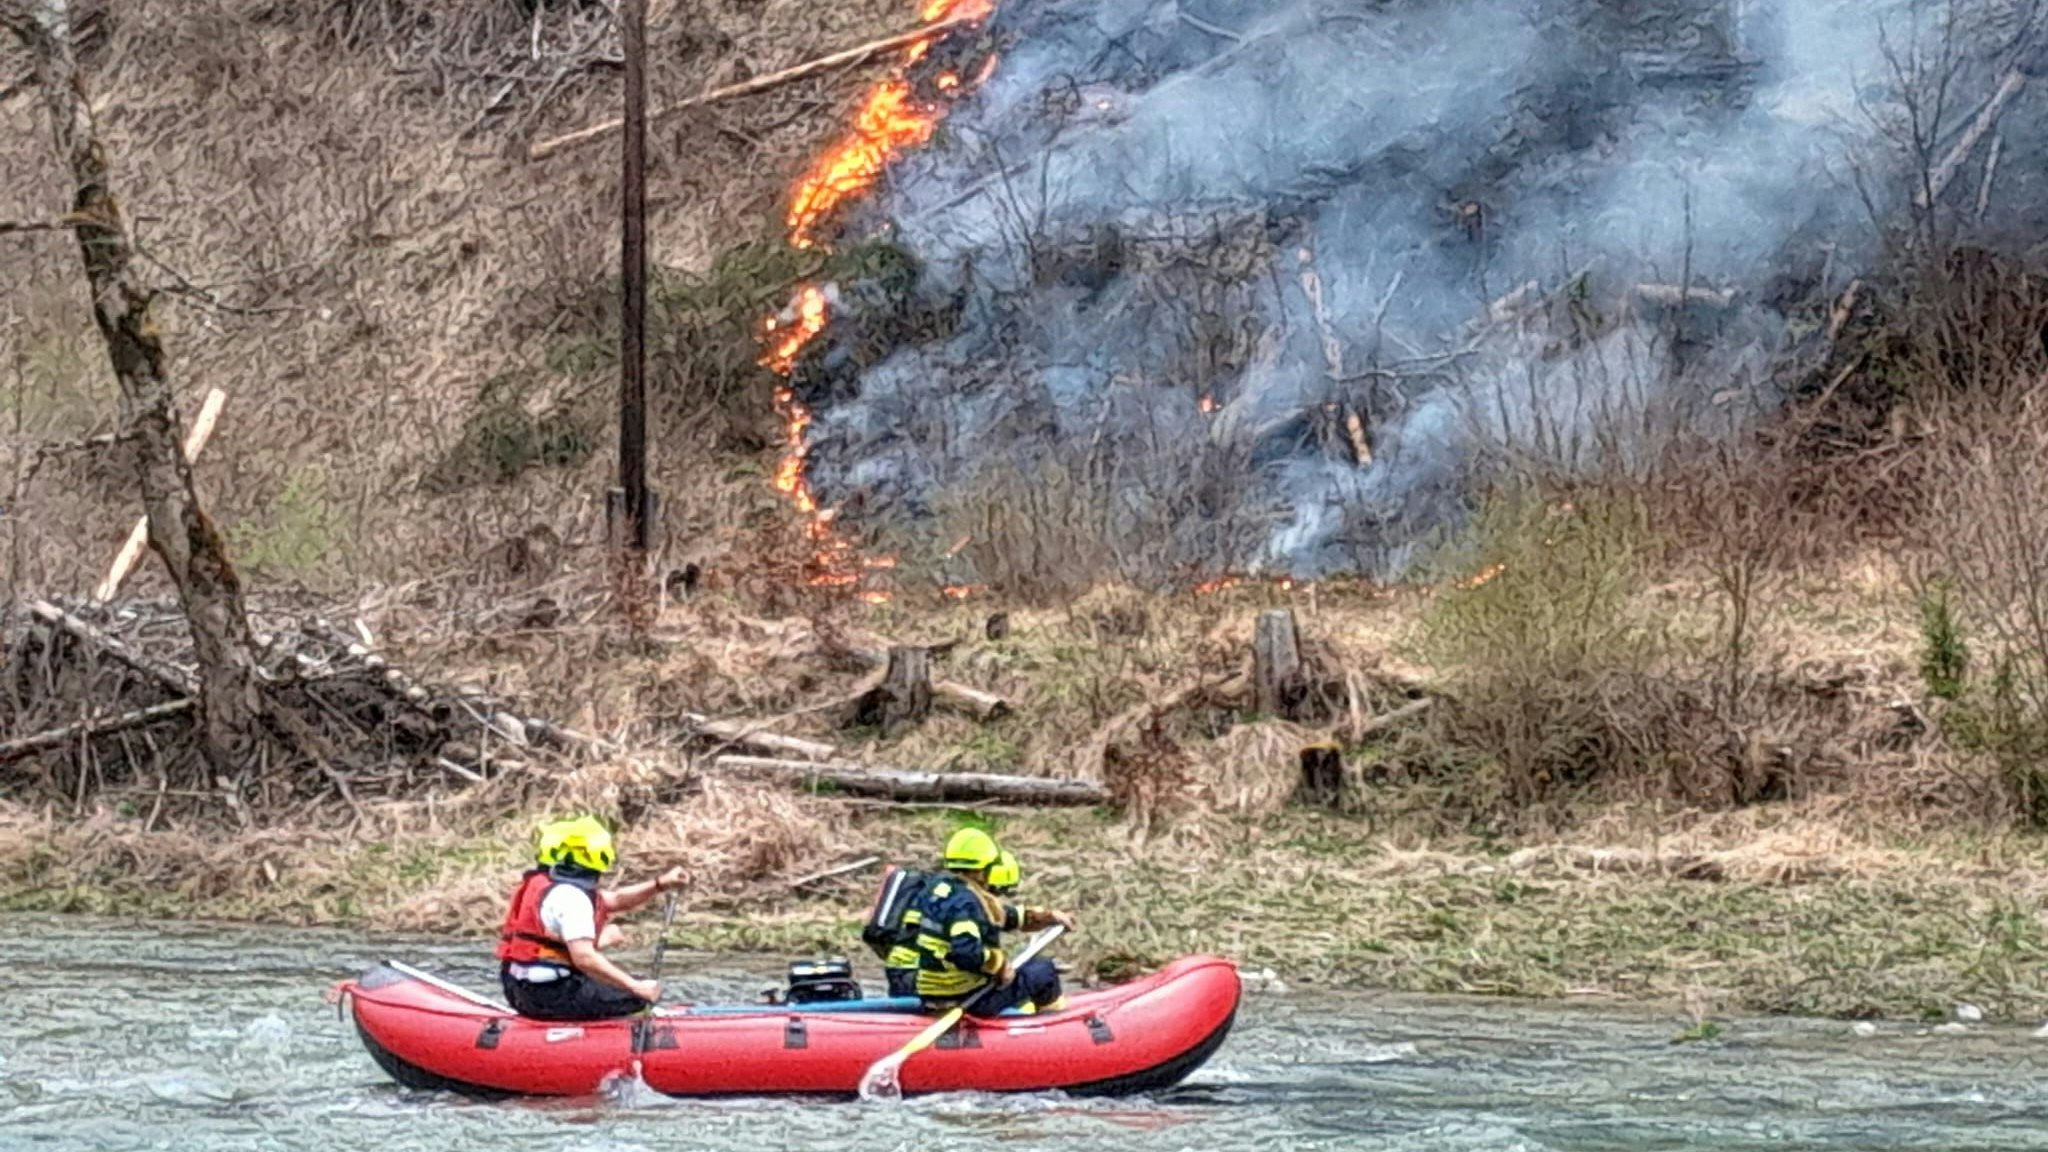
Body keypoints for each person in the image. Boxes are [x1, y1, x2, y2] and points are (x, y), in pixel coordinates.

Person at [496, 815, 688, 1021]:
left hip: (516, 989)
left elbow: (616, 900)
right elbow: (585, 958)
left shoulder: (546, 885)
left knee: (620, 985)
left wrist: (660, 884)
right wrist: (637, 988)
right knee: (638, 993)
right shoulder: (572, 897)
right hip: (548, 995)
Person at [908, 829, 1074, 1016]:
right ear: (980, 871)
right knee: (1043, 971)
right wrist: (1000, 966)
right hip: (968, 999)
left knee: (1029, 970)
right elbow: (967, 953)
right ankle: (1054, 1030)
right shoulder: (966, 903)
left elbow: (1001, 917)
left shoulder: (939, 889)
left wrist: (1048, 917)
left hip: (932, 996)